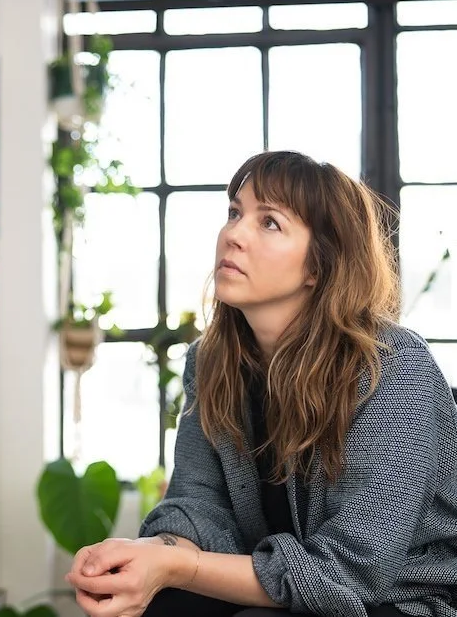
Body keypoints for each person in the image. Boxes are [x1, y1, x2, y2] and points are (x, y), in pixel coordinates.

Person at [65, 150, 457, 617]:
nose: (233, 234)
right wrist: (148, 553)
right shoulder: (210, 362)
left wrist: (177, 566)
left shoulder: (392, 368)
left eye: (268, 222)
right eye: (234, 213)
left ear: (319, 266)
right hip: (277, 587)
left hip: (398, 600)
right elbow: (197, 503)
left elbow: (353, 571)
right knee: (160, 604)